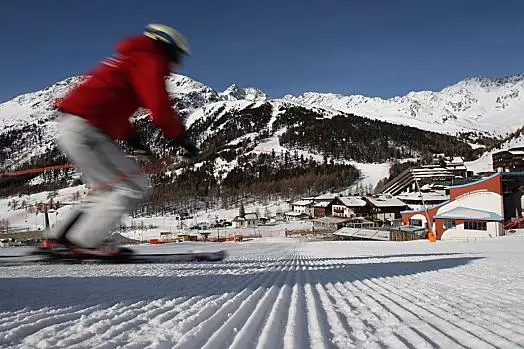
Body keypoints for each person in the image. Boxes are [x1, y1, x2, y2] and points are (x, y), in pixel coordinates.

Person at [49, 24, 199, 258]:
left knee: (105, 190)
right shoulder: (150, 60)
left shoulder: (130, 60)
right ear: (166, 48)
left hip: (76, 127)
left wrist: (134, 141)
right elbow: (159, 106)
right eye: (177, 57)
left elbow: (111, 108)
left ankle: (61, 239)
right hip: (88, 131)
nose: (176, 64)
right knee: (133, 186)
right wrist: (181, 138)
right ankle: (86, 242)